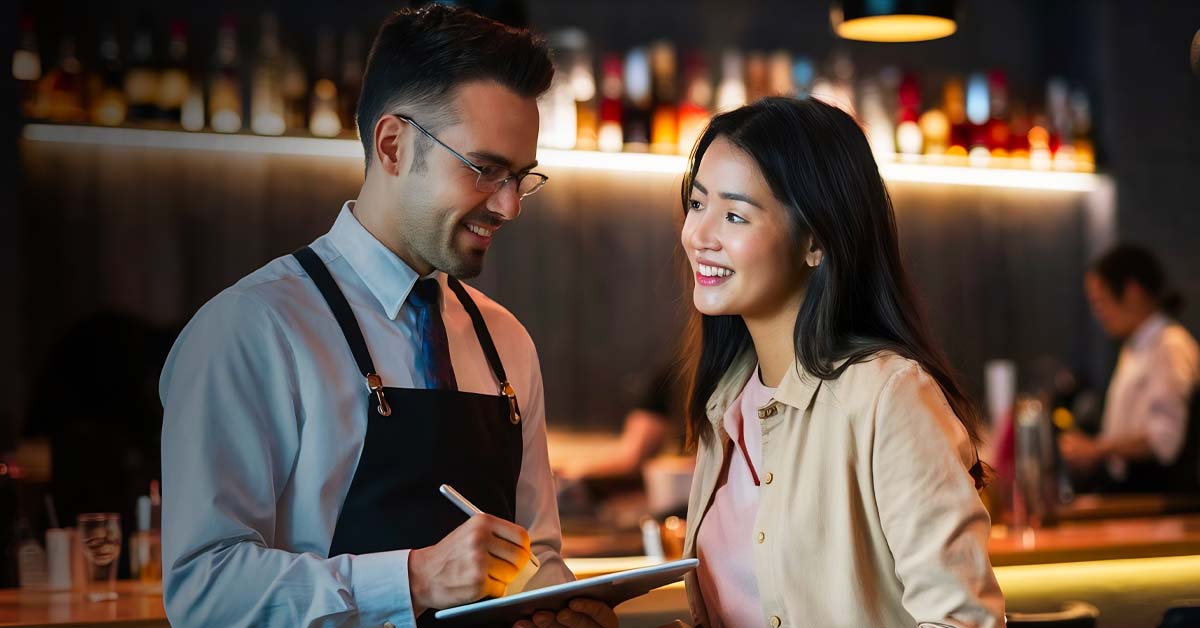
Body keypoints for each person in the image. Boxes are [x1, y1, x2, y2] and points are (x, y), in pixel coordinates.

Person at [159, 6, 616, 627]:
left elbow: (537, 553)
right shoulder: (250, 330)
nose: (508, 206)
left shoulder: (507, 342)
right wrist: (416, 578)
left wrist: (561, 600)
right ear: (394, 146)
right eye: (485, 170)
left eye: (520, 177)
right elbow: (203, 592)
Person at [671, 97, 1004, 627]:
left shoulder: (888, 395)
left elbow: (962, 620)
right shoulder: (725, 402)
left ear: (816, 242)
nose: (699, 236)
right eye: (696, 204)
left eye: (733, 215)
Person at [1059, 244, 1200, 493]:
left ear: (1132, 292)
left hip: (1157, 495)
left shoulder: (1169, 345)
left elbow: (1164, 441)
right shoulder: (1135, 347)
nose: (1098, 313)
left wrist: (1096, 449)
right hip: (1132, 488)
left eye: (1100, 302)